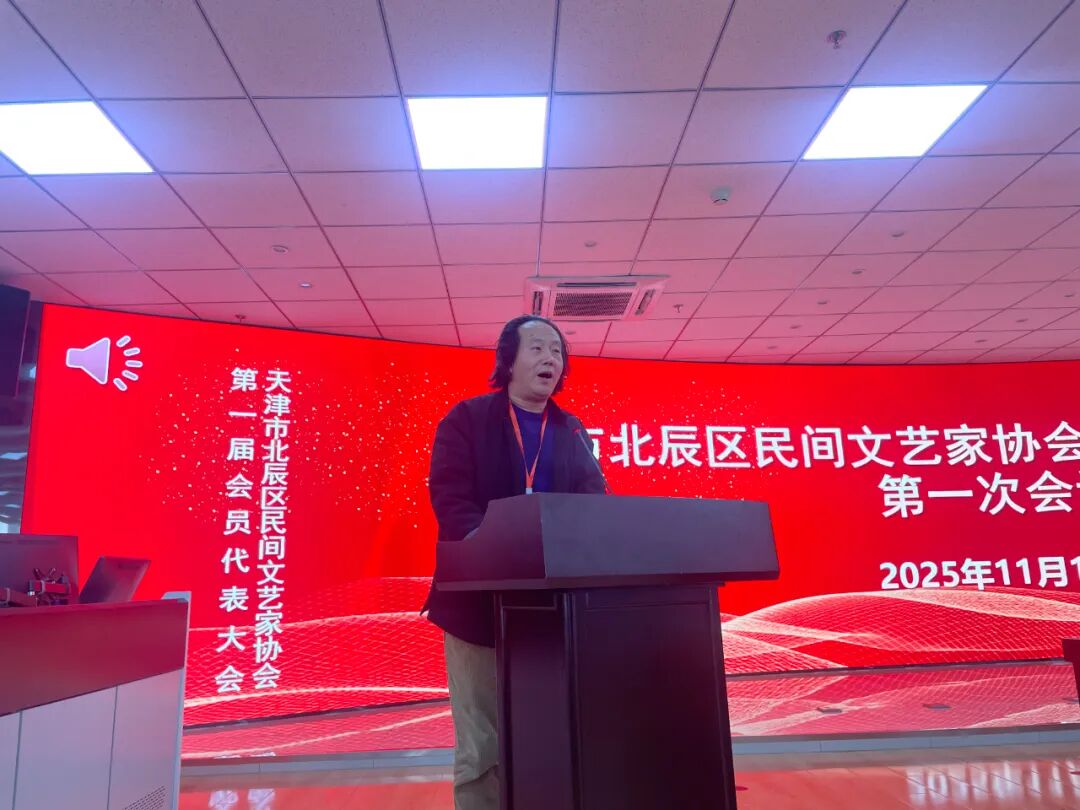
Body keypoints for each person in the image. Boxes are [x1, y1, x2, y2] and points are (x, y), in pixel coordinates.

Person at [423, 315, 608, 810]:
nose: (551, 359)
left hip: (552, 610)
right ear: (508, 361)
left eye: (557, 351)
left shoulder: (571, 430)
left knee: (548, 733)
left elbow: (593, 502)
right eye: (538, 349)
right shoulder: (467, 419)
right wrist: (491, 546)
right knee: (482, 744)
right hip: (475, 607)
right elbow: (450, 497)